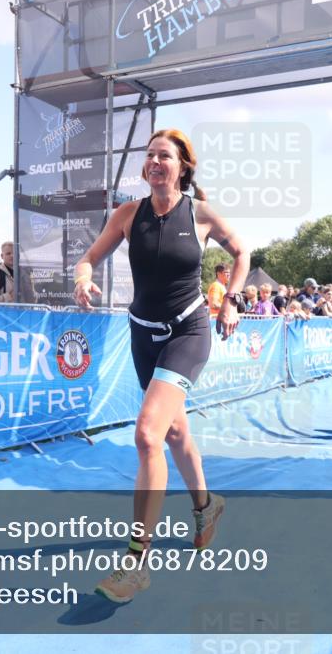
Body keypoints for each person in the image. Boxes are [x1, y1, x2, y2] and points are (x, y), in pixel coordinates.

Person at [72, 128, 247, 603]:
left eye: (163, 155)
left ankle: (136, 561)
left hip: (188, 333)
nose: (153, 162)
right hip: (142, 334)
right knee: (173, 432)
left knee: (148, 432)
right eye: (148, 155)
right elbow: (89, 257)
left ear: (182, 167)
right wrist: (83, 279)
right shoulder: (129, 214)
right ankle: (207, 507)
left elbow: (242, 252)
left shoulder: (201, 214)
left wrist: (231, 299)